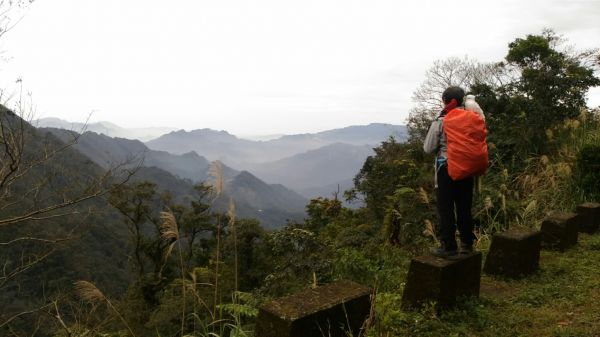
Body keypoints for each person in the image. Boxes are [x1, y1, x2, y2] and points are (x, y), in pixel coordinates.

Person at [423, 86, 477, 258]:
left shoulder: (441, 120)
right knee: (464, 207)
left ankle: (449, 247)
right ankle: (467, 244)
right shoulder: (472, 117)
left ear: (445, 100)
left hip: (446, 168)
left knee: (446, 208)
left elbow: (428, 148)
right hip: (467, 168)